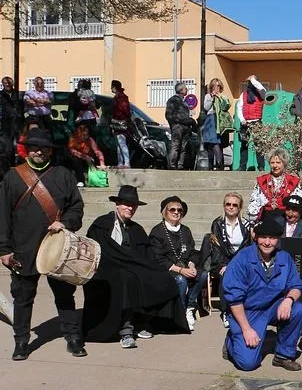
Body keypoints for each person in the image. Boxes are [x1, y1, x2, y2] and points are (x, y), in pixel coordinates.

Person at [0, 129, 85, 360]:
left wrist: (65, 222)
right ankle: (21, 341)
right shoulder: (12, 177)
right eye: (34, 147)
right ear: (27, 150)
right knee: (23, 297)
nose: (39, 151)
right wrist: (4, 249)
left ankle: (73, 337)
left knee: (65, 295)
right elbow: (3, 215)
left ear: (50, 151)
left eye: (43, 148)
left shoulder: (63, 175)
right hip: (22, 247)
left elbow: (76, 207)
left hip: (58, 247)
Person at [83, 185, 187, 347]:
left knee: (164, 278)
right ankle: (126, 330)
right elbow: (100, 252)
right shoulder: (101, 224)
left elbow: (146, 256)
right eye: (126, 204)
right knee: (127, 278)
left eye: (133, 205)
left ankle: (144, 321)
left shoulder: (136, 229)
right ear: (117, 204)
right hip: (106, 270)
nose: (130, 208)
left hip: (133, 267)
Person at [221, 213, 302, 372]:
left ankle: (283, 355)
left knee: (299, 310)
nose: (267, 242)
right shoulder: (243, 259)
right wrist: (246, 329)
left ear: (278, 239)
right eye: (263, 237)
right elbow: (234, 299)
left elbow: (296, 285)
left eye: (272, 238)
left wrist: (288, 300)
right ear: (256, 237)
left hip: (273, 306)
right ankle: (231, 342)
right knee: (248, 364)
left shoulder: (284, 258)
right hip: (247, 311)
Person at [149, 196, 206, 332]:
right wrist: (180, 270)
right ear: (165, 212)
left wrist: (191, 265)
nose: (176, 212)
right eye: (172, 209)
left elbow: (192, 251)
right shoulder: (157, 232)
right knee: (181, 280)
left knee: (202, 274)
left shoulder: (185, 230)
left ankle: (189, 307)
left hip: (184, 266)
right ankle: (179, 312)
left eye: (179, 210)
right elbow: (157, 257)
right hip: (166, 269)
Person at [208, 192, 253, 327]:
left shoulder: (246, 225)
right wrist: (222, 265)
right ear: (224, 206)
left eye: (235, 205)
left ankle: (245, 309)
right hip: (222, 262)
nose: (231, 207)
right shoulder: (217, 223)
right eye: (228, 204)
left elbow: (247, 248)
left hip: (240, 262)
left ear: (239, 208)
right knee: (226, 275)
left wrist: (236, 265)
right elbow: (216, 248)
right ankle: (226, 312)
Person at [247, 148, 302, 222]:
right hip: (265, 219)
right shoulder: (262, 181)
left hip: (286, 220)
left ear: (284, 164)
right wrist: (252, 221)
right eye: (272, 162)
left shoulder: (292, 181)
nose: (275, 165)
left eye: (278, 162)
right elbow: (254, 203)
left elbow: (298, 203)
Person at [236, 75, 268, 171]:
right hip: (245, 122)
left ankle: (261, 166)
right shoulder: (243, 94)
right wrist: (242, 120)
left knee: (259, 145)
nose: (251, 84)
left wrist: (252, 78)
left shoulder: (261, 93)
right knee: (244, 145)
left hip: (256, 122)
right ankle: (242, 166)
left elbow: (260, 87)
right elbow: (239, 107)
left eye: (253, 82)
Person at [201, 78, 232, 172]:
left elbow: (226, 107)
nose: (217, 88)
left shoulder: (224, 97)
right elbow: (206, 107)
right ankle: (211, 166)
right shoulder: (207, 96)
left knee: (218, 143)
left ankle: (220, 164)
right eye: (215, 85)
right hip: (210, 121)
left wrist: (220, 98)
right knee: (211, 144)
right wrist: (212, 98)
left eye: (218, 86)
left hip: (220, 122)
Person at [165, 82, 194, 170]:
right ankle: (172, 165)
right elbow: (168, 115)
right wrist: (173, 125)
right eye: (185, 88)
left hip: (185, 127)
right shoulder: (173, 100)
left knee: (183, 147)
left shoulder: (183, 101)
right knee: (176, 146)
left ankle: (180, 165)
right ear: (181, 90)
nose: (187, 90)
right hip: (178, 127)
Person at [0, 77, 21, 176]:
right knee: (7, 149)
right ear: (3, 84)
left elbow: (21, 107)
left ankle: (16, 169)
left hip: (17, 124)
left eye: (9, 83)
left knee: (18, 148)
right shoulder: (1, 95)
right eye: (5, 83)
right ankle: (6, 172)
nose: (8, 85)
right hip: (5, 126)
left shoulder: (17, 94)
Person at [109, 80, 132, 169]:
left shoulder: (121, 98)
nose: (111, 88)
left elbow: (126, 110)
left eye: (112, 86)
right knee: (119, 143)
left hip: (121, 122)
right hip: (116, 123)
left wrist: (126, 119)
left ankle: (126, 162)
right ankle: (120, 162)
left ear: (115, 87)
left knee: (122, 142)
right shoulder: (118, 97)